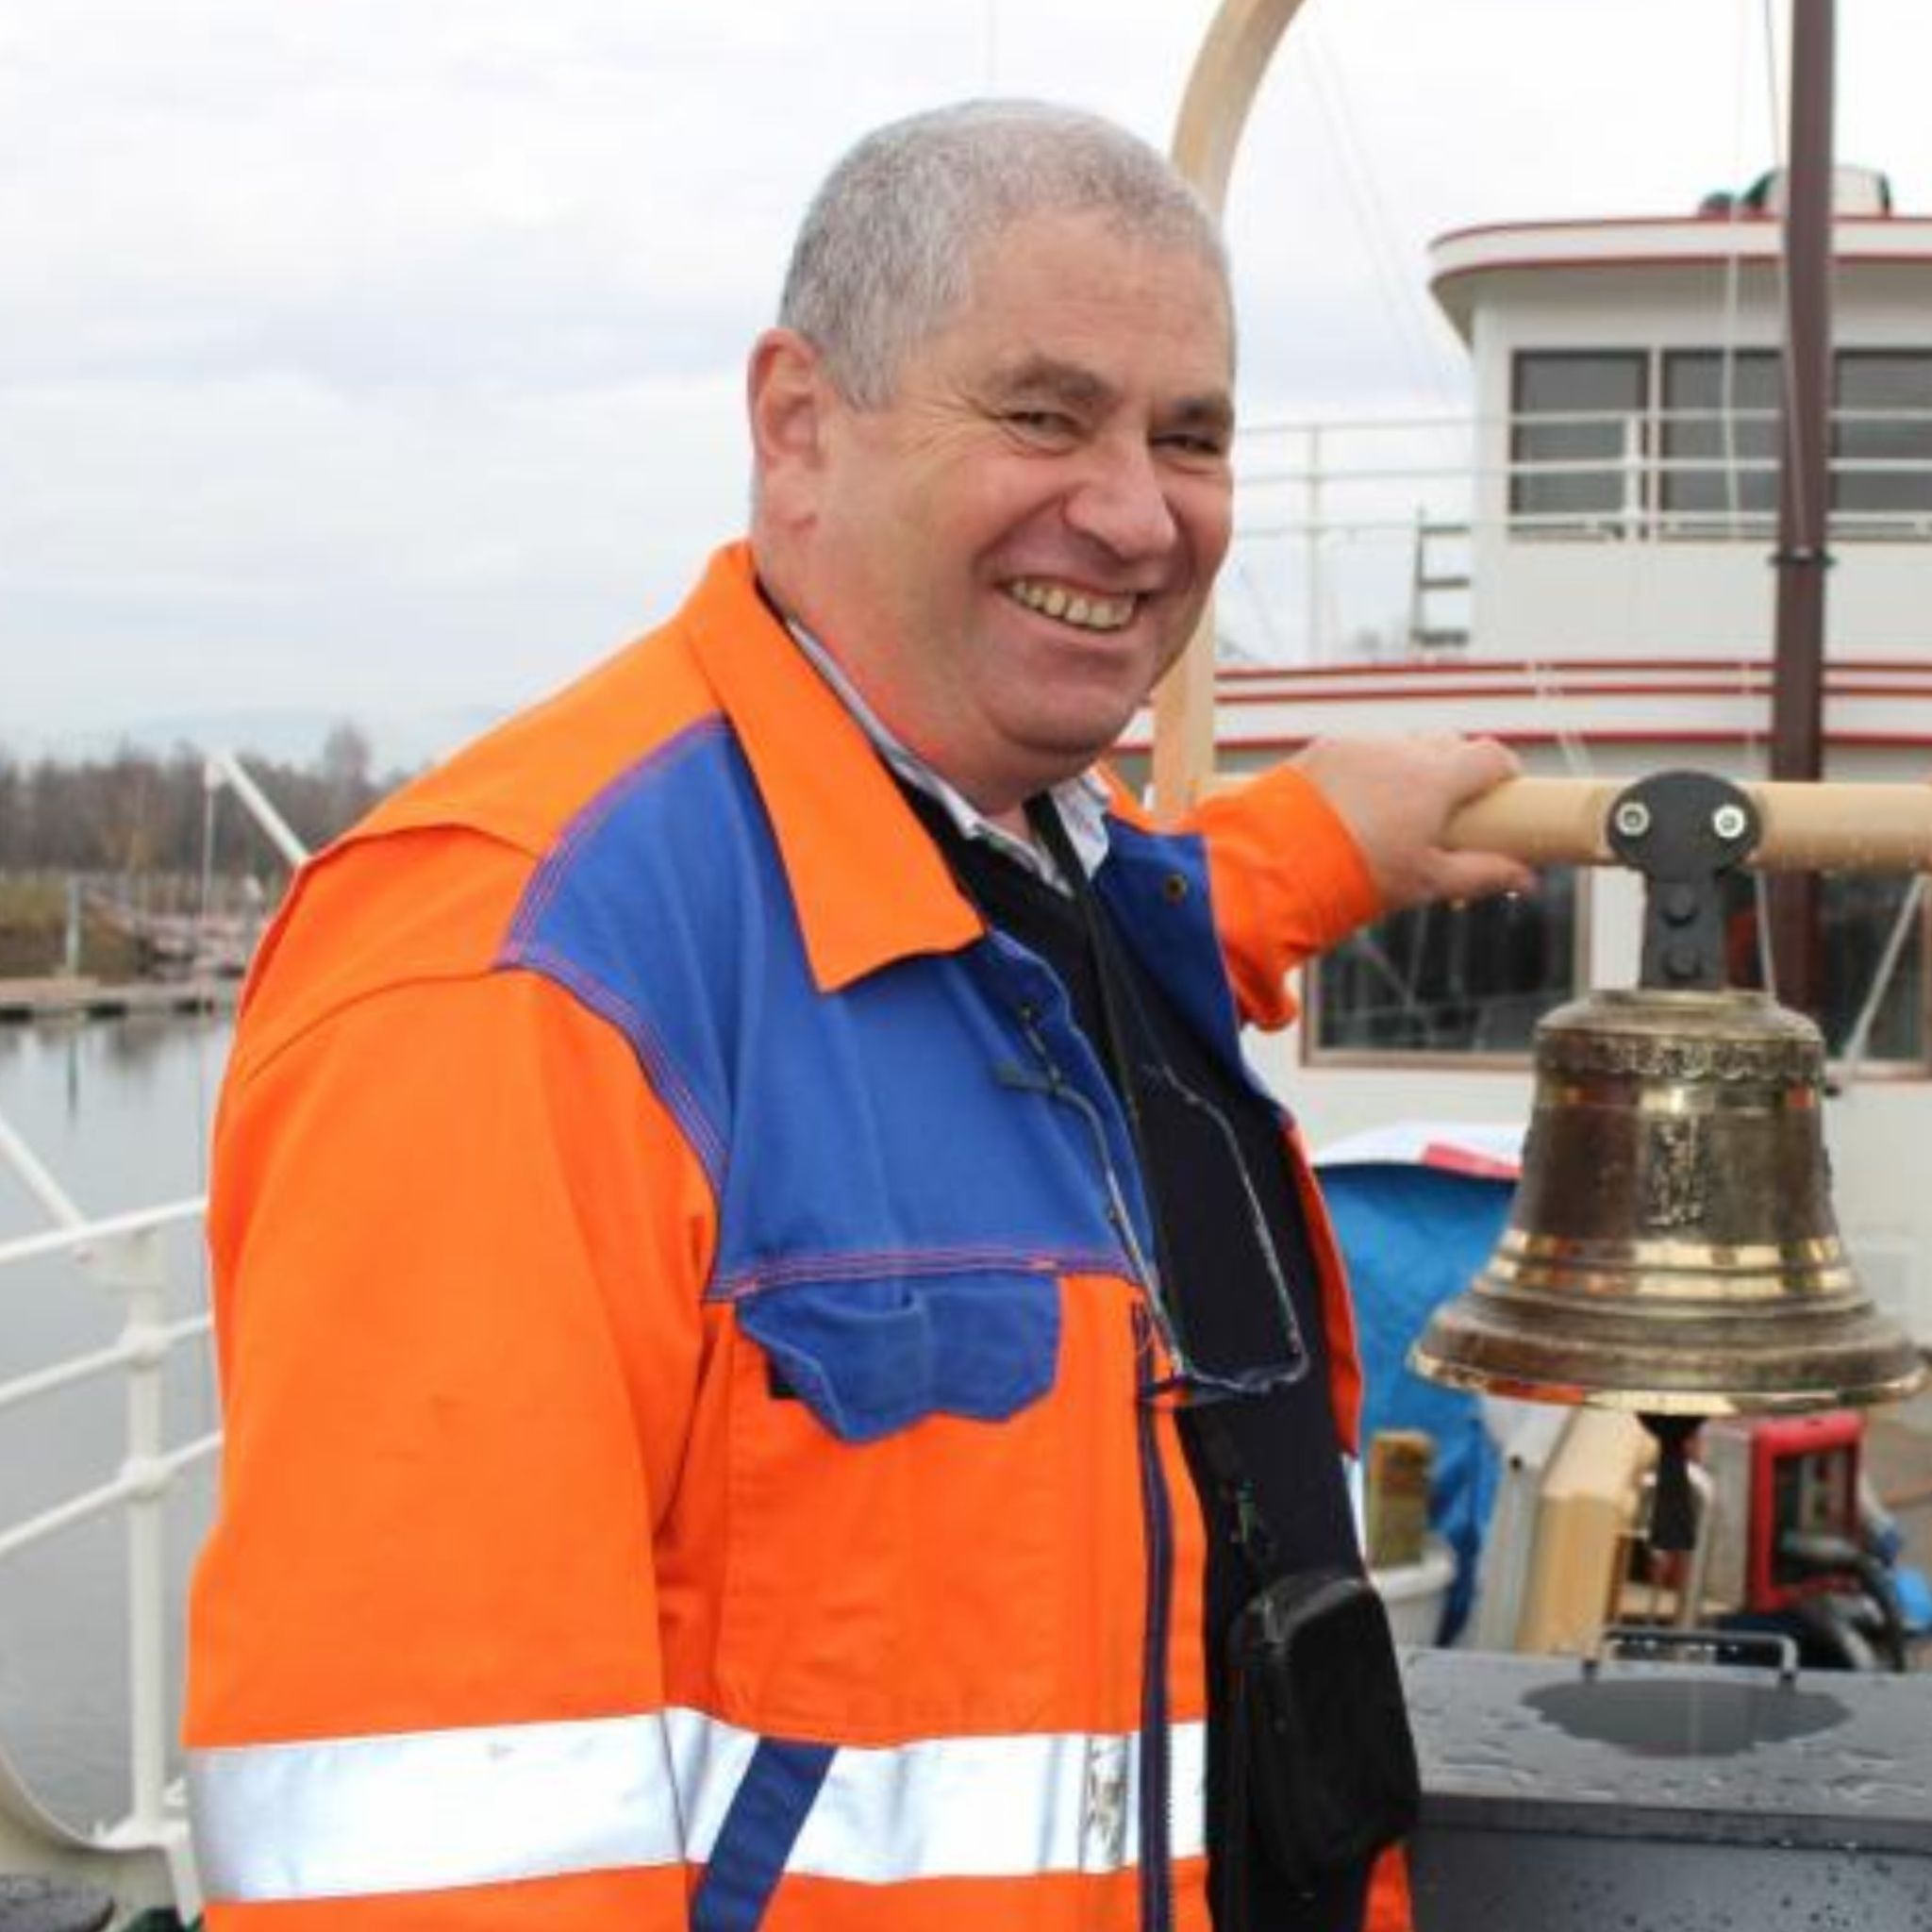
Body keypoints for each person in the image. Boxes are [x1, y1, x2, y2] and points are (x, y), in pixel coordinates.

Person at [184, 99, 1530, 1932]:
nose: (1135, 512)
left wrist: (1317, 843)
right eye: (1043, 414)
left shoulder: (1052, 880)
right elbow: (437, 1866)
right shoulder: (508, 979)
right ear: (798, 428)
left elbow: (1020, 999)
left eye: (1189, 434)